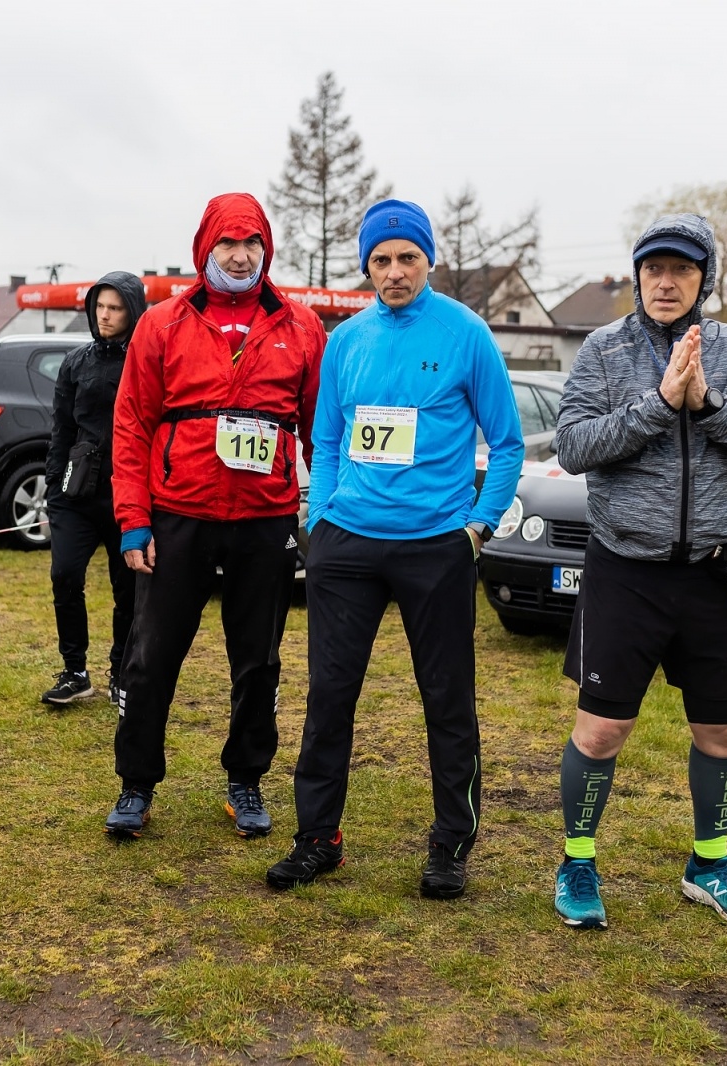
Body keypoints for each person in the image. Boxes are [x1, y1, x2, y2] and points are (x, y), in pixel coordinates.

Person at [264, 200, 523, 899]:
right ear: (367, 267)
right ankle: (318, 839)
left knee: (446, 701)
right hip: (346, 546)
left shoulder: (466, 334)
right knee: (329, 698)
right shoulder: (346, 341)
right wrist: (320, 519)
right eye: (381, 260)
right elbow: (324, 436)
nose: (395, 271)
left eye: (407, 257)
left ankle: (450, 846)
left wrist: (479, 527)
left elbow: (507, 443)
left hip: (434, 546)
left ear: (428, 260)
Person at [549, 214, 727, 930]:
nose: (665, 282)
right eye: (653, 269)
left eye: (681, 270)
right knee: (600, 732)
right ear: (636, 277)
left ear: (703, 278)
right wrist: (659, 404)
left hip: (715, 573)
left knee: (724, 734)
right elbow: (573, 446)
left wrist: (710, 403)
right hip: (626, 569)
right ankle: (578, 861)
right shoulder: (603, 349)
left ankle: (710, 864)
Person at [104, 192, 324, 839]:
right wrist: (133, 521)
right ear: (205, 249)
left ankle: (246, 780)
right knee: (151, 657)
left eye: (251, 243)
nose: (239, 254)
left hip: (265, 519)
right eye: (227, 243)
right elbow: (131, 425)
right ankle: (136, 784)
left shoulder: (300, 326)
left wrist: (328, 515)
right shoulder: (163, 323)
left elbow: (320, 430)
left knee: (258, 660)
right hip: (177, 516)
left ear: (266, 250)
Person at [41, 272, 146, 707]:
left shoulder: (146, 361)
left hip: (128, 496)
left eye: (116, 307)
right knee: (64, 575)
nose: (105, 315)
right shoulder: (75, 362)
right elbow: (61, 430)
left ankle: (122, 672)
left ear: (133, 311)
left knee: (128, 591)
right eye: (100, 306)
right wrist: (53, 490)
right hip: (76, 494)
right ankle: (75, 670)